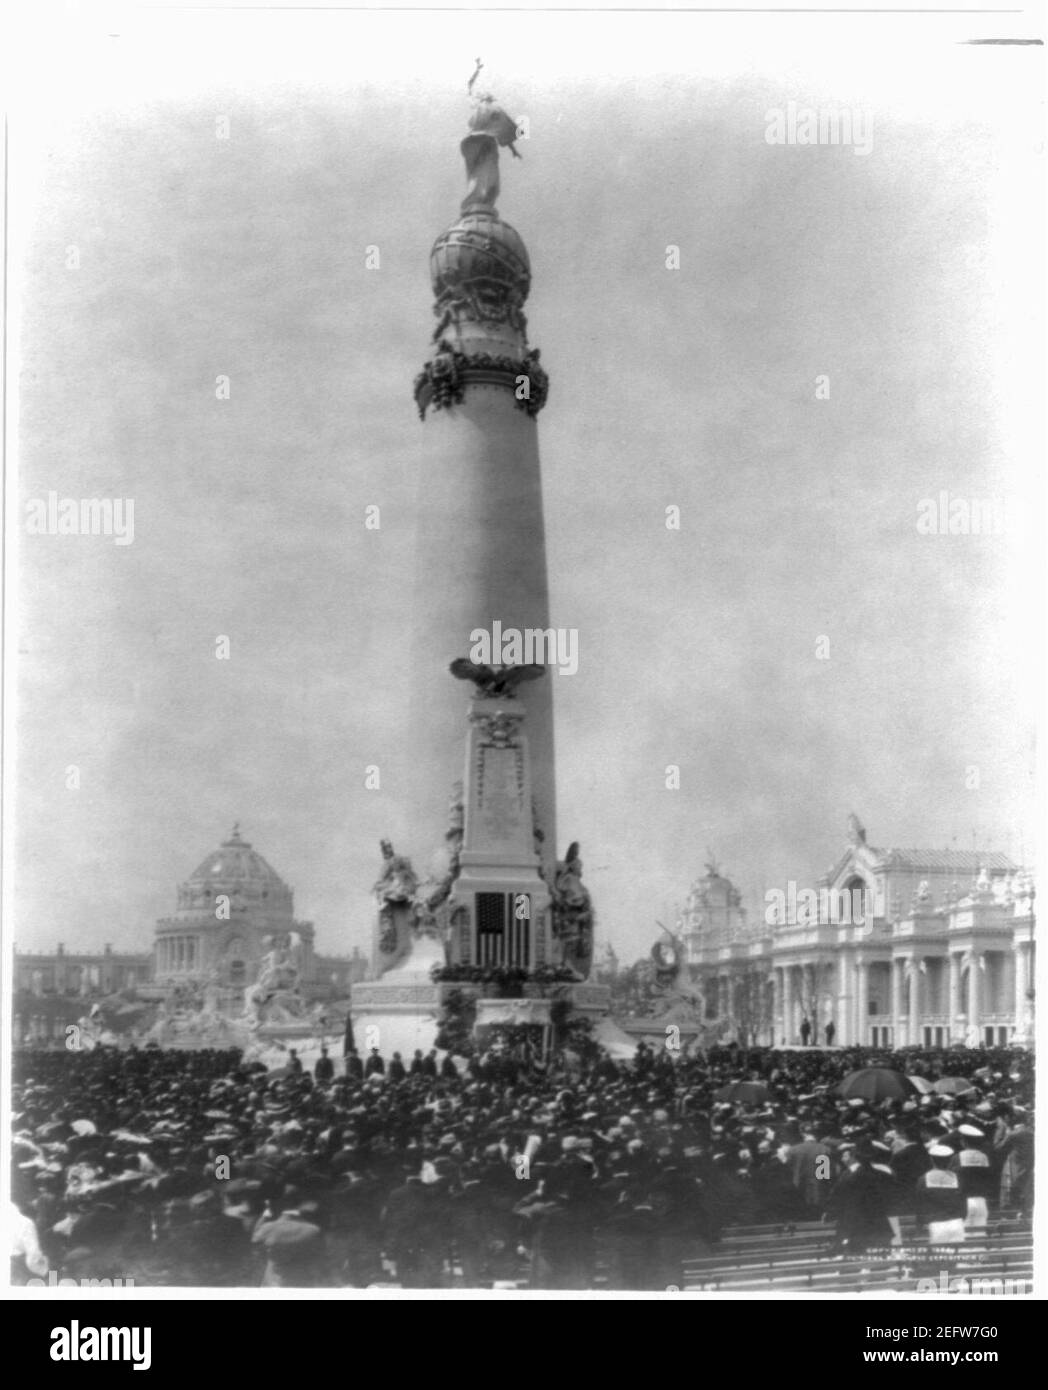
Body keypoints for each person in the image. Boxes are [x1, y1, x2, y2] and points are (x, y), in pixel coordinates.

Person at [824, 1140, 894, 1253]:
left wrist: (830, 1212)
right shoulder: (883, 1175)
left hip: (856, 1224)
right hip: (879, 1222)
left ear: (856, 1157)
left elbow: (837, 1196)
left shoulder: (848, 1177)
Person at [915, 1145, 967, 1244]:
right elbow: (963, 1203)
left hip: (936, 1224)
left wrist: (920, 1225)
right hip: (956, 1223)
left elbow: (920, 1204)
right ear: (949, 1161)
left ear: (931, 1160)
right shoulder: (957, 1178)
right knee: (959, 1257)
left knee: (941, 1256)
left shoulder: (924, 1179)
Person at [951, 1125, 993, 1231]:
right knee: (980, 1235)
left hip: (963, 1202)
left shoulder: (957, 1158)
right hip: (982, 1201)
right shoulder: (984, 1157)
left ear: (963, 1142)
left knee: (964, 1237)